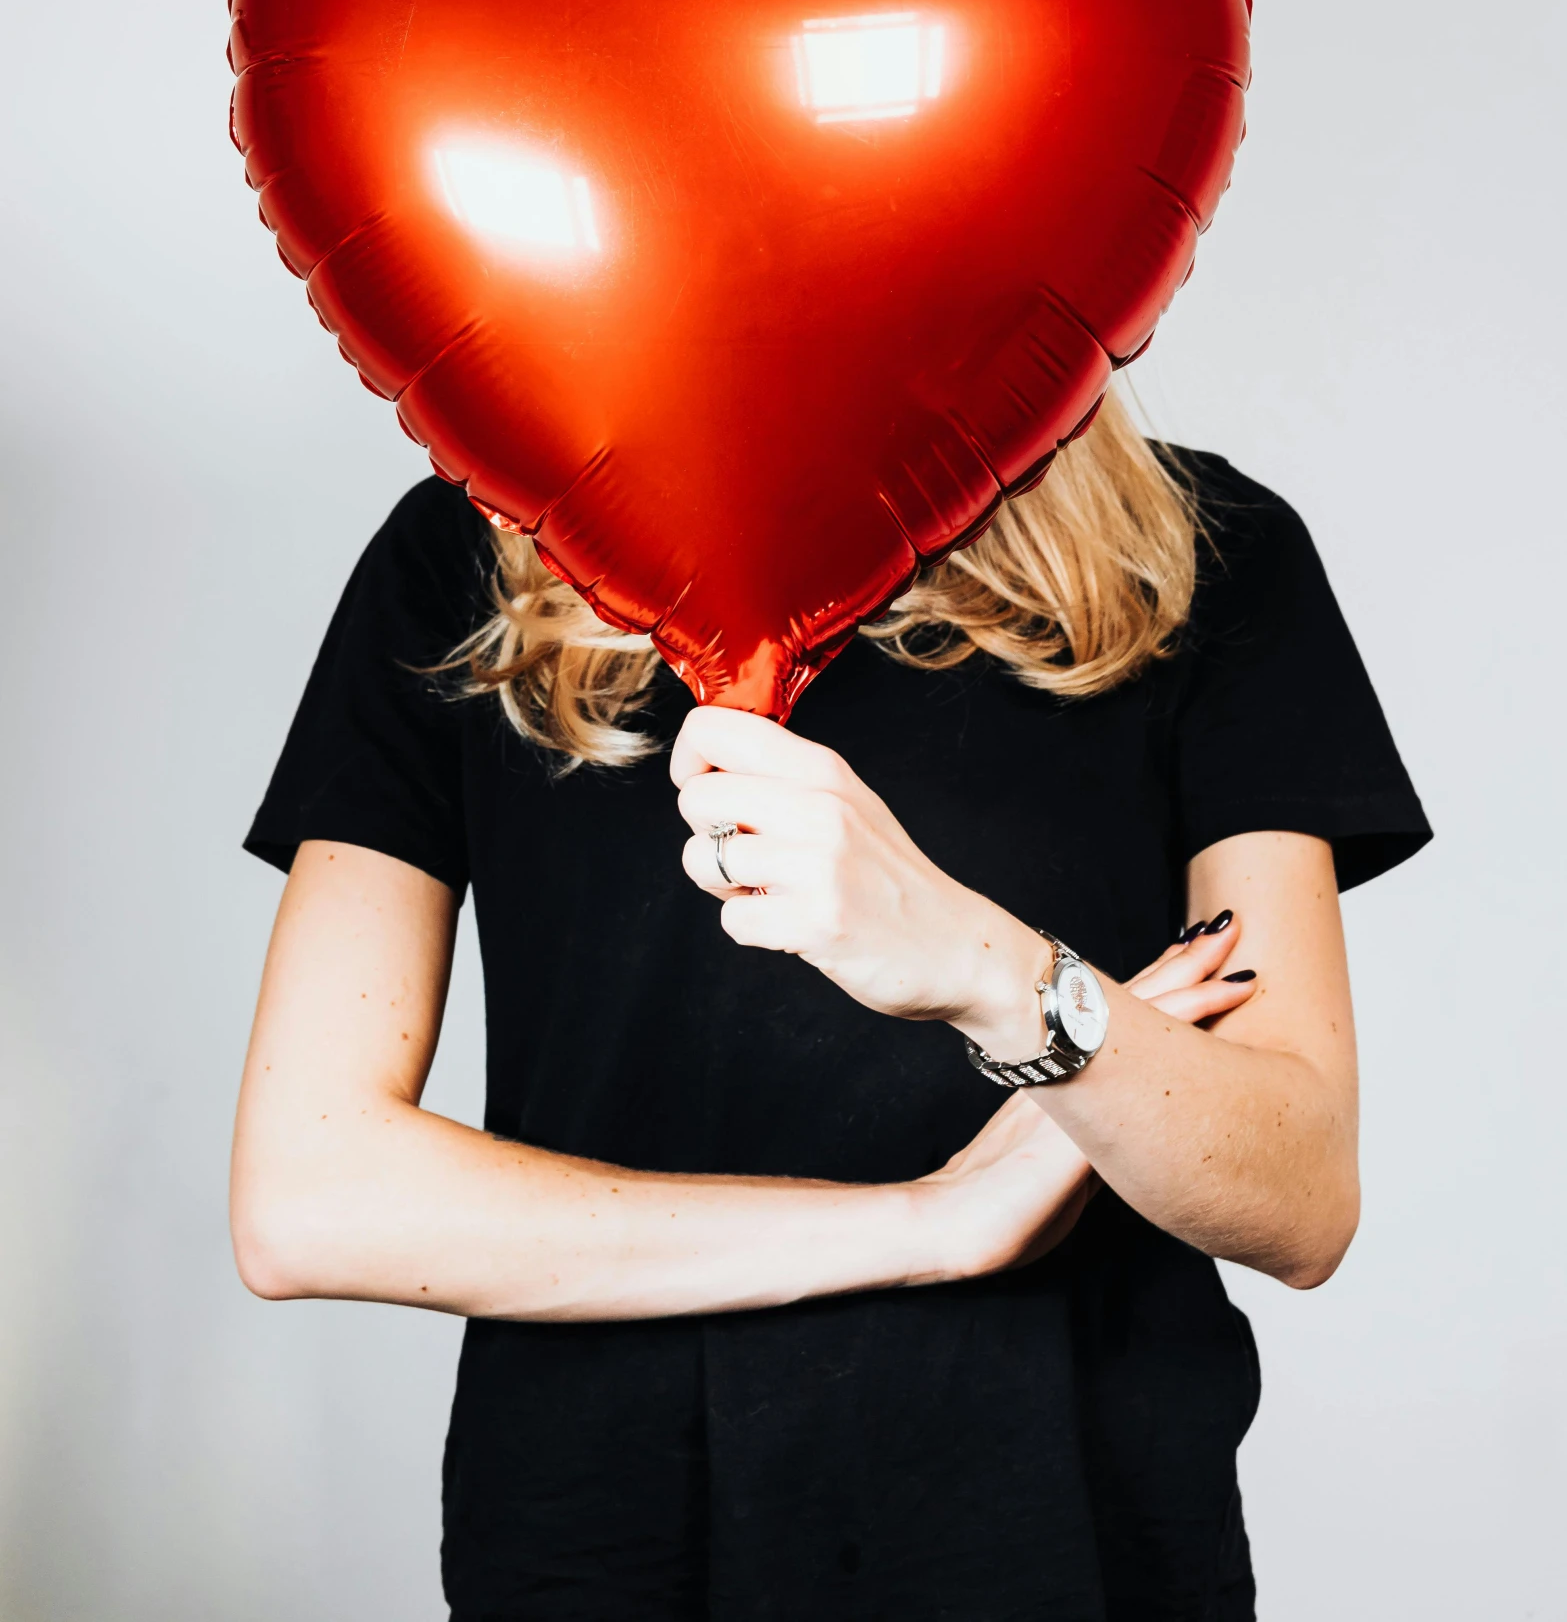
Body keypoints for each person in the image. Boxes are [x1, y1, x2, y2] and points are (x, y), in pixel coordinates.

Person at [231, 393, 1429, 1620]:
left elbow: (1301, 1195)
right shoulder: (469, 549)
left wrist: (991, 971)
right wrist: (932, 1226)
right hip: (608, 1542)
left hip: (1068, 1535)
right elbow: (311, 1196)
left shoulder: (1197, 547)